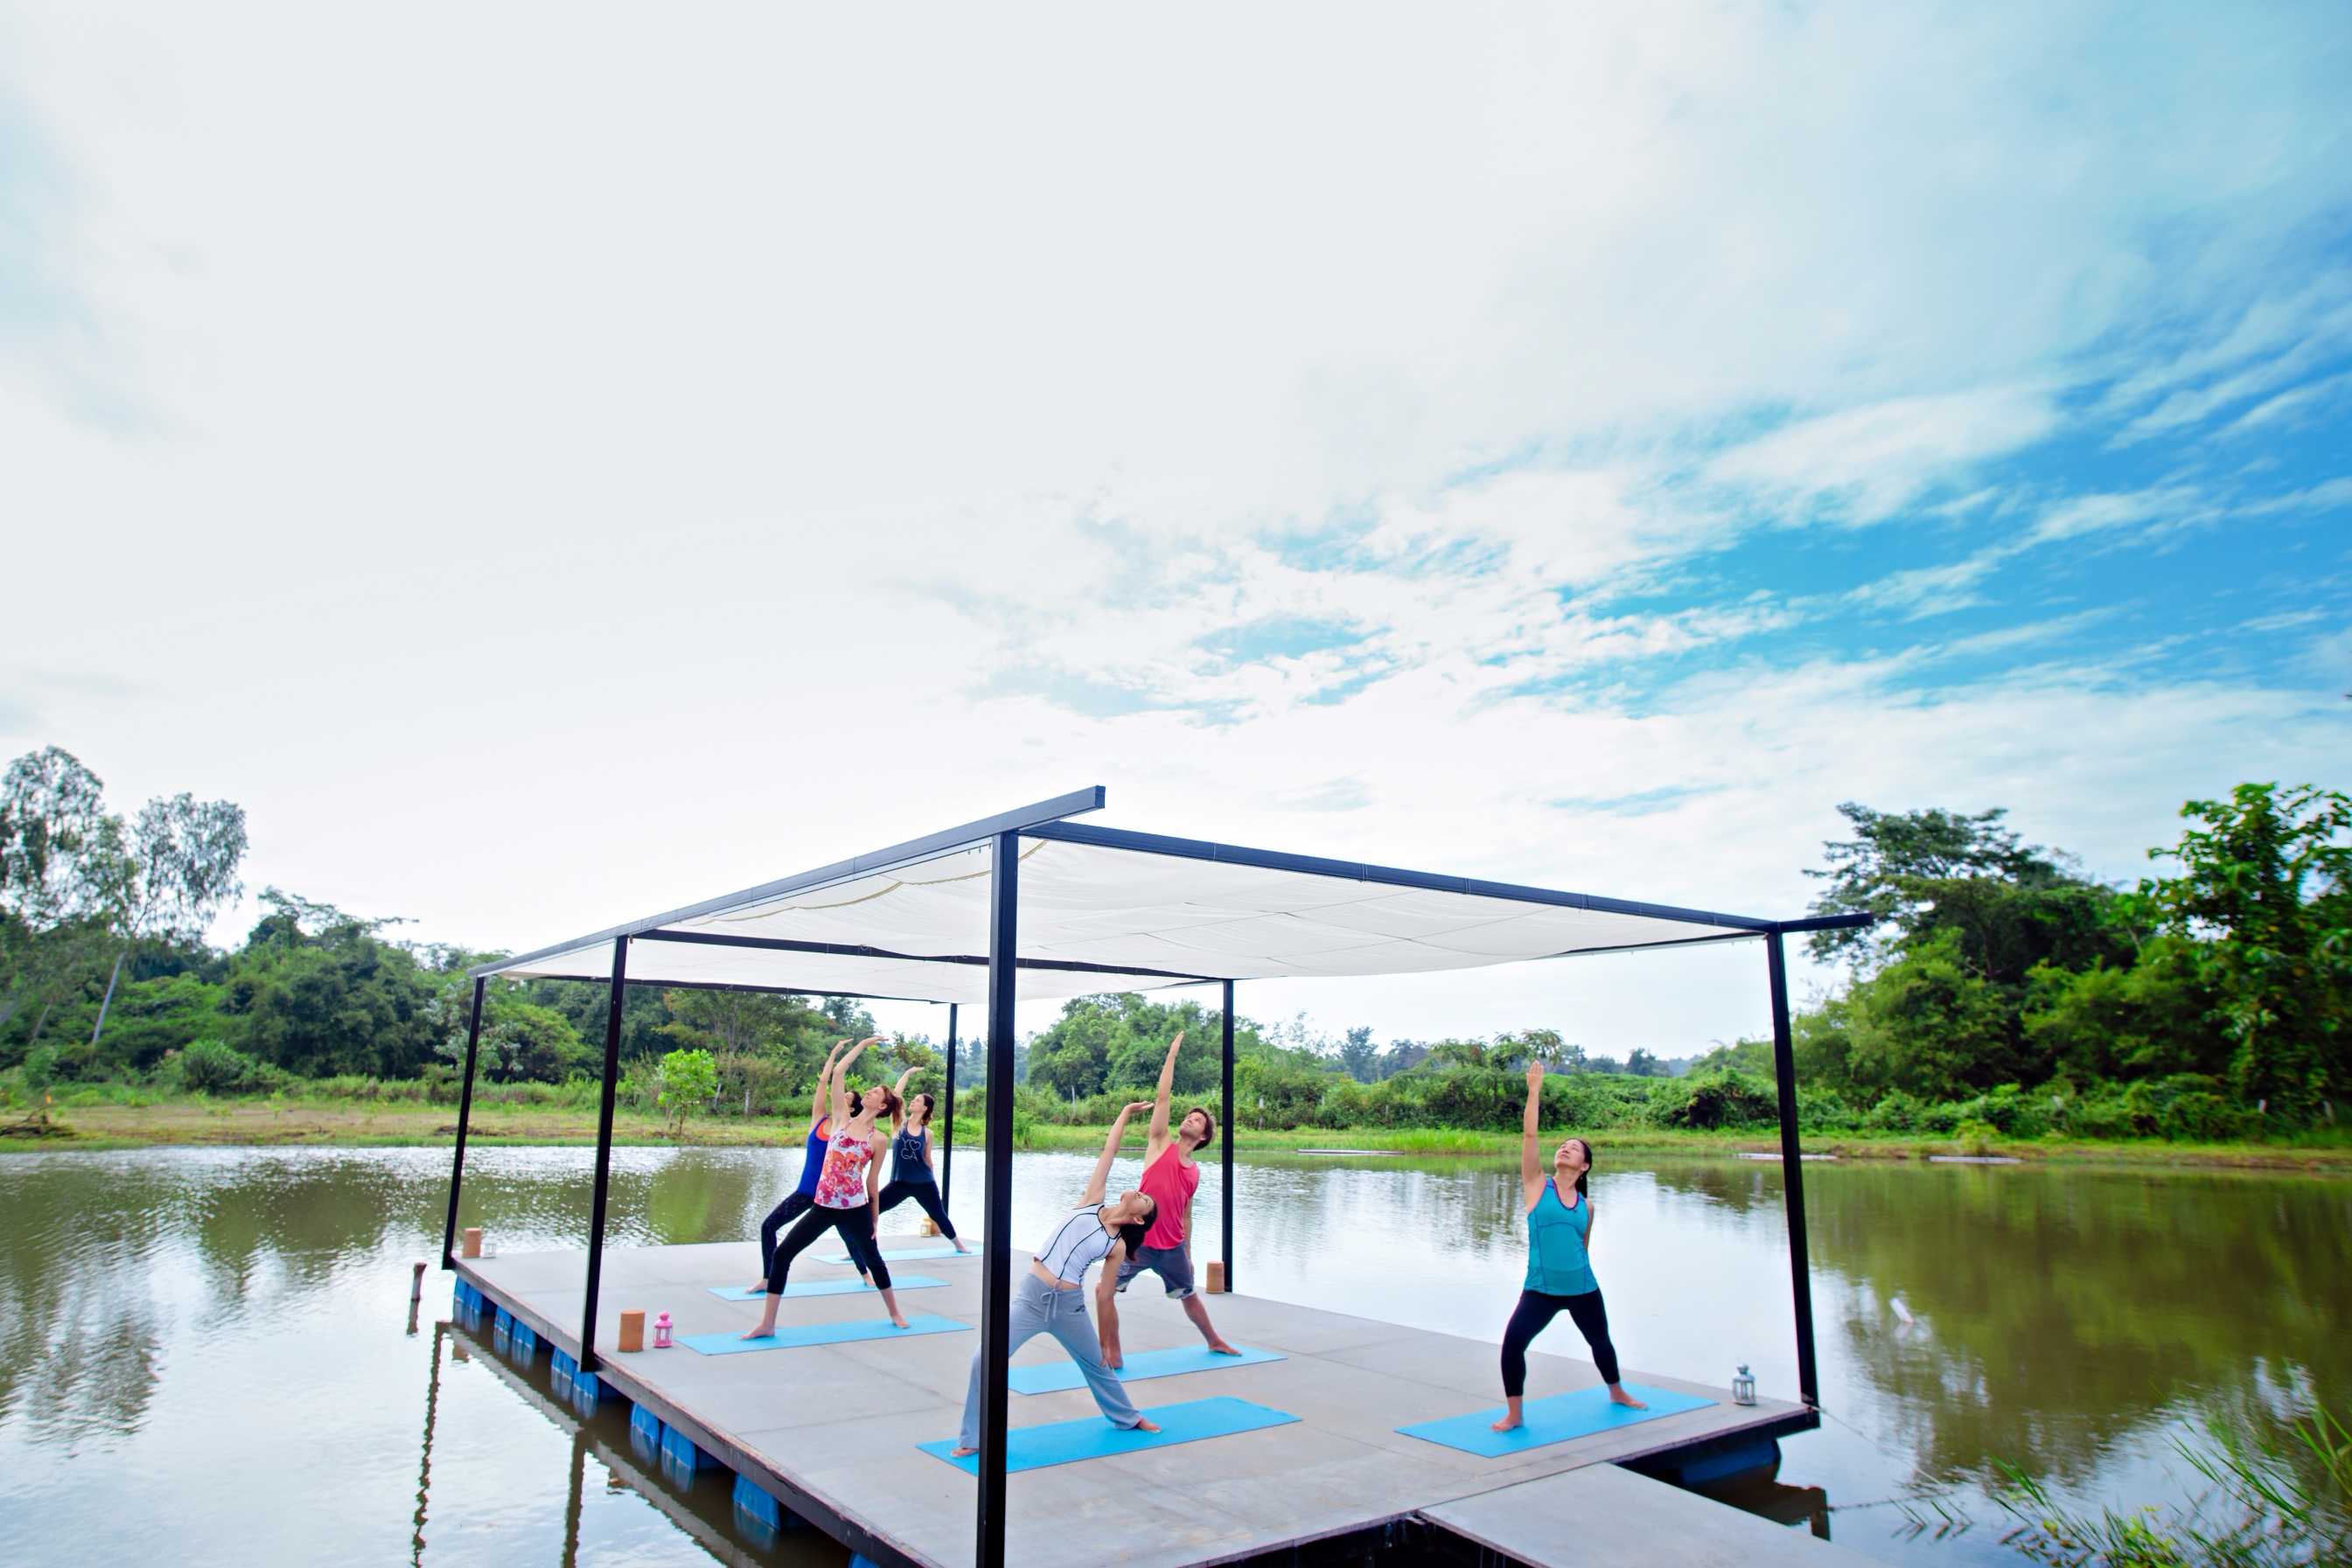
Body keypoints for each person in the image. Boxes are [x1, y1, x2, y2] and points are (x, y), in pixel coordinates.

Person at [948, 1103, 1162, 1457]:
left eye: (1145, 1201)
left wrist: (1106, 1342)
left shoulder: (1117, 1246)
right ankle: (972, 1437)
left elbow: (1105, 1295)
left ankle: (1129, 1417)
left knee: (1097, 1365)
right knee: (982, 1359)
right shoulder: (1091, 1201)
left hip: (1069, 1308)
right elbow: (1109, 1151)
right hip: (1032, 1298)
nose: (1140, 1194)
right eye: (1142, 1192)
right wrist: (1125, 1112)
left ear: (1139, 1220)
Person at [1492, 1063, 1645, 1431]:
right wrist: (1534, 1090)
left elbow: (1583, 1248)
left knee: (1600, 1342)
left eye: (1573, 1148)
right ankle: (1515, 1414)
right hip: (1540, 1290)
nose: (1564, 1149)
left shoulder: (1586, 1207)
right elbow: (1530, 1136)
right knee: (1513, 1345)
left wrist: (1583, 1280)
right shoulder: (1536, 1185)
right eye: (1563, 1146)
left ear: (1584, 1166)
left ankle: (1617, 1392)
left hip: (1582, 1289)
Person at [743, 1038, 911, 1336]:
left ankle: (895, 1312)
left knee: (874, 1260)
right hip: (822, 1206)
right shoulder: (840, 1119)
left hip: (855, 1209)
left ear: (882, 1106)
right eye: (870, 1090)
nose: (869, 1091)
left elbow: (872, 1182)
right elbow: (838, 1073)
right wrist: (862, 1045)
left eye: (875, 1092)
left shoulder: (878, 1139)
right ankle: (767, 1324)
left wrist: (874, 1218)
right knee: (783, 1254)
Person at [1098, 1029, 1239, 1369]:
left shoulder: (1194, 1172)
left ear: (1203, 1136)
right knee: (1104, 1290)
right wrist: (1171, 1055)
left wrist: (1188, 1253)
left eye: (1197, 1120)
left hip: (1173, 1248)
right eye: (1189, 1116)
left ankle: (1215, 1340)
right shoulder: (1160, 1143)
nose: (1190, 1119)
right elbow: (1163, 1098)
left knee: (1189, 1296)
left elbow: (1185, 1215)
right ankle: (1112, 1352)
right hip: (1139, 1242)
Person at [876, 1090, 970, 1252]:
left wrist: (933, 1182)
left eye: (918, 1100)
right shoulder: (900, 1124)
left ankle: (959, 1245)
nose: (913, 1101)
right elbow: (897, 1094)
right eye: (914, 1099)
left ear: (925, 1108)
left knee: (938, 1215)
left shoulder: (927, 1133)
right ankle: (857, 1248)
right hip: (898, 1183)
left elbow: (927, 1159)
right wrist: (907, 1076)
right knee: (872, 1210)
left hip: (924, 1183)